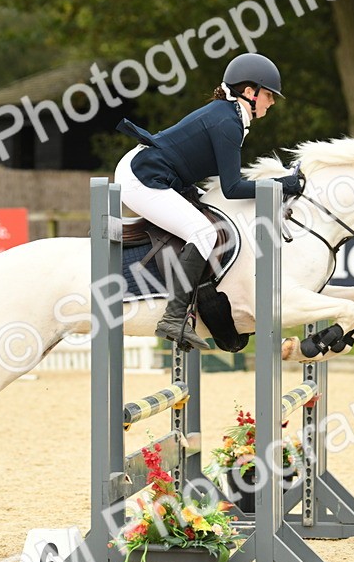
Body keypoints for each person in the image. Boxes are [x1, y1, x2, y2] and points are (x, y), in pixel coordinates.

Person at [115, 52, 304, 351]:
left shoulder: (230, 117)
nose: (273, 102)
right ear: (249, 92)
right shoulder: (227, 122)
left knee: (211, 219)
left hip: (160, 175)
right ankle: (174, 318)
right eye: (269, 95)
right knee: (202, 232)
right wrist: (284, 185)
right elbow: (232, 188)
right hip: (143, 177)